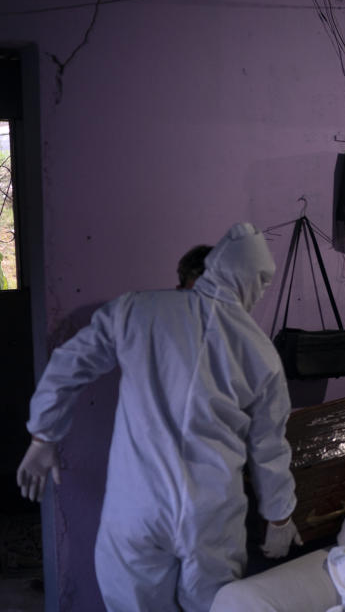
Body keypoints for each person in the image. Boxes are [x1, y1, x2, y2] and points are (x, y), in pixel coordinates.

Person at [15, 222, 302, 612]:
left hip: (137, 504)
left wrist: (43, 436)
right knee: (213, 605)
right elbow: (269, 445)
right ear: (252, 280)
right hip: (212, 513)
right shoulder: (260, 350)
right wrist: (280, 515)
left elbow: (70, 364)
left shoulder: (138, 310)